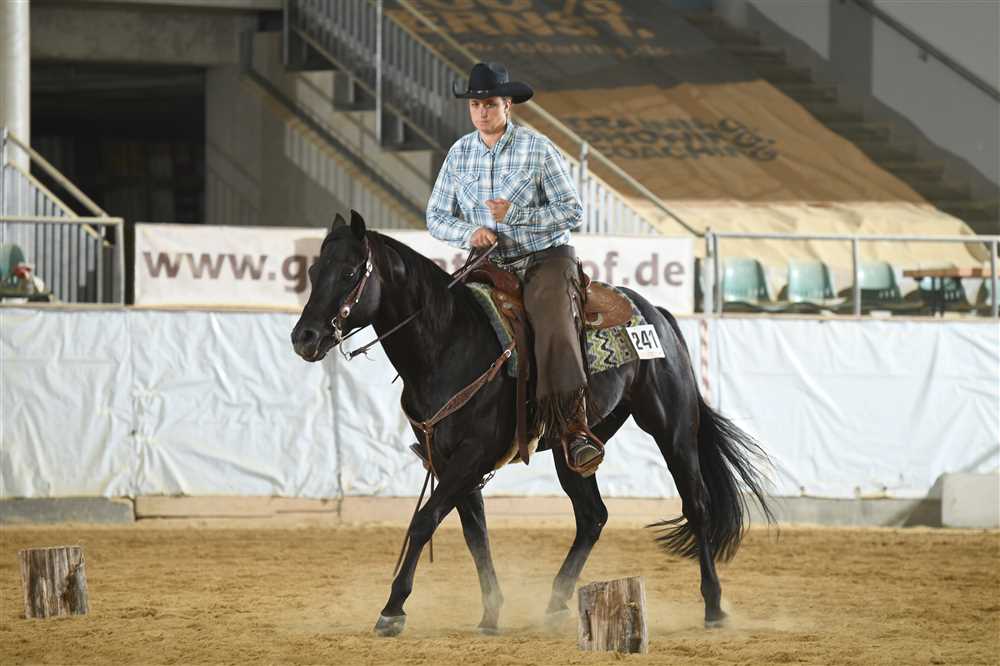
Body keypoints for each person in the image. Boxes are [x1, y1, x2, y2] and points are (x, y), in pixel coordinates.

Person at [426, 62, 603, 476]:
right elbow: (436, 216)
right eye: (475, 105)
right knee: (446, 318)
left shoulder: (537, 148)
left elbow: (572, 211)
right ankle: (451, 426)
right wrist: (469, 232)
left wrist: (517, 215)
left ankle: (573, 427)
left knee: (553, 320)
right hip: (488, 262)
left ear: (507, 104)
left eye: (489, 104)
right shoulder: (459, 153)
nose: (481, 112)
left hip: (545, 258)